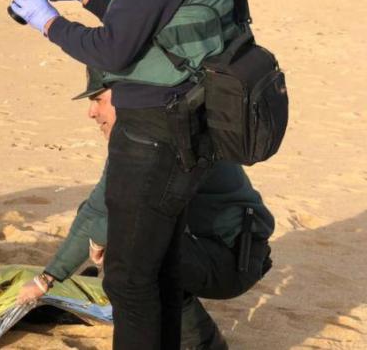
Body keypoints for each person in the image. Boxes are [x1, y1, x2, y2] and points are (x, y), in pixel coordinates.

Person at [9, 0, 253, 347]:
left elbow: (117, 49)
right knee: (157, 271)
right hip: (190, 116)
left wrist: (47, 22)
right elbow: (159, 28)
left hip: (159, 125)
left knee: (128, 280)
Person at [17, 71, 275, 350]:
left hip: (234, 259)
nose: (91, 112)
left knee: (132, 251)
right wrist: (47, 279)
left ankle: (203, 344)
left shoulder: (167, 138)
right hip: (204, 248)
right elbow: (95, 211)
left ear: (126, 97)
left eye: (98, 100)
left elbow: (121, 218)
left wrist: (102, 240)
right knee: (124, 243)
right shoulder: (141, 135)